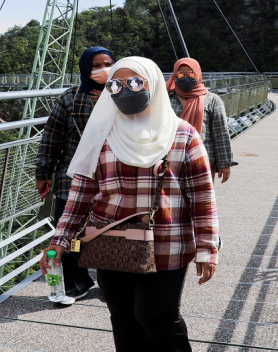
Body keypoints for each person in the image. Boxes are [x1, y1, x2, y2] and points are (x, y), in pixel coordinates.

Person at [40, 56, 219, 352]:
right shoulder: (102, 134)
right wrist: (59, 241)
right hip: (111, 239)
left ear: (155, 85)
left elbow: (202, 197)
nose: (125, 91)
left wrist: (207, 248)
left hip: (167, 242)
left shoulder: (183, 136)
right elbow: (81, 192)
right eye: (116, 84)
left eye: (136, 82)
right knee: (122, 318)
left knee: (157, 316)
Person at [34, 45, 115, 302]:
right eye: (96, 65)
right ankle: (75, 282)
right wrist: (43, 173)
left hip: (112, 176)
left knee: (107, 231)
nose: (103, 70)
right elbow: (52, 138)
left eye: (108, 64)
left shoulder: (121, 97)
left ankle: (110, 281)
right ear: (85, 69)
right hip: (72, 177)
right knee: (69, 230)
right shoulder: (70, 98)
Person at [167, 57, 236, 183]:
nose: (185, 77)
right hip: (171, 162)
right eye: (181, 73)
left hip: (203, 162)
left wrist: (225, 164)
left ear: (198, 74)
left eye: (191, 73)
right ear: (175, 76)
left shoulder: (212, 100)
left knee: (201, 201)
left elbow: (221, 134)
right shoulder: (166, 100)